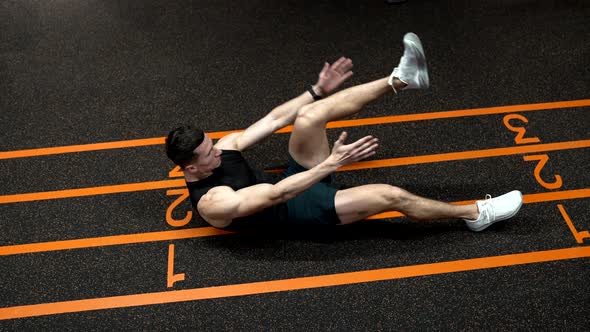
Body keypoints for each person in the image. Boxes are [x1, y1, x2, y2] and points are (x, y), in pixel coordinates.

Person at [165, 33, 523, 231]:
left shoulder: (220, 148)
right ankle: (475, 214)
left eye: (214, 145)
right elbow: (274, 196)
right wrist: (331, 163)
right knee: (390, 196)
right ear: (190, 168)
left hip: (294, 178)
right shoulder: (213, 202)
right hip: (297, 211)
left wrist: (316, 90)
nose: (219, 150)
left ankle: (400, 79)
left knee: (309, 115)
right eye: (209, 153)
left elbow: (274, 120)